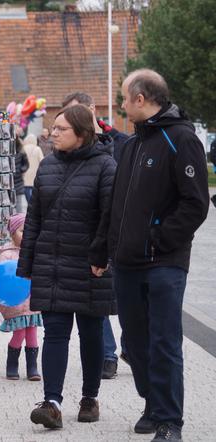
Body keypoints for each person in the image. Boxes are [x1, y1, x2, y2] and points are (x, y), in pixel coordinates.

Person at [107, 69, 209, 441]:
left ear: (141, 99)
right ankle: (152, 402)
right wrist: (106, 249)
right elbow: (117, 206)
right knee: (134, 342)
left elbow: (195, 204)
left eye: (123, 98)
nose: (120, 105)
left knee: (164, 341)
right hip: (127, 262)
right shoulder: (132, 145)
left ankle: (169, 421)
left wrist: (158, 238)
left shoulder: (181, 139)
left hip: (164, 262)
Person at [17, 104, 117, 429]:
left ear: (83, 134)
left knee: (90, 334)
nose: (53, 133)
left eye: (61, 129)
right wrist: (28, 263)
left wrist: (102, 258)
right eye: (54, 128)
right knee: (55, 333)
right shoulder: (46, 166)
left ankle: (90, 397)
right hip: (52, 264)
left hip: (90, 267)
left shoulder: (105, 167)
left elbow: (109, 219)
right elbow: (34, 220)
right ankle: (52, 403)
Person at [62, 91, 128, 380]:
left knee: (128, 300)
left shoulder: (122, 143)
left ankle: (133, 347)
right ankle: (108, 354)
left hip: (123, 232)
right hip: (86, 237)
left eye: (77, 113)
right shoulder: (66, 152)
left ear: (92, 110)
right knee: (96, 299)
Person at [0, 213, 42, 381]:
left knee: (32, 334)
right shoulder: (7, 255)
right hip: (16, 303)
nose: (27, 235)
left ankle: (32, 367)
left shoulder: (35, 252)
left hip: (33, 302)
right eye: (23, 231)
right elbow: (2, 279)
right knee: (19, 333)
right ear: (13, 232)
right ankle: (12, 364)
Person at [21, 134, 44, 203]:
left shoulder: (23, 148)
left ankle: (29, 201)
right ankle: (33, 202)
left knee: (26, 187)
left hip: (25, 171)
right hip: (35, 171)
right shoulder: (37, 149)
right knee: (34, 187)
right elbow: (42, 160)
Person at [13, 137, 29, 214]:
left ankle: (18, 221)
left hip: (18, 181)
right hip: (6, 181)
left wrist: (20, 170)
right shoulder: (4, 150)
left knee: (18, 203)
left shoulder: (21, 152)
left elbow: (26, 164)